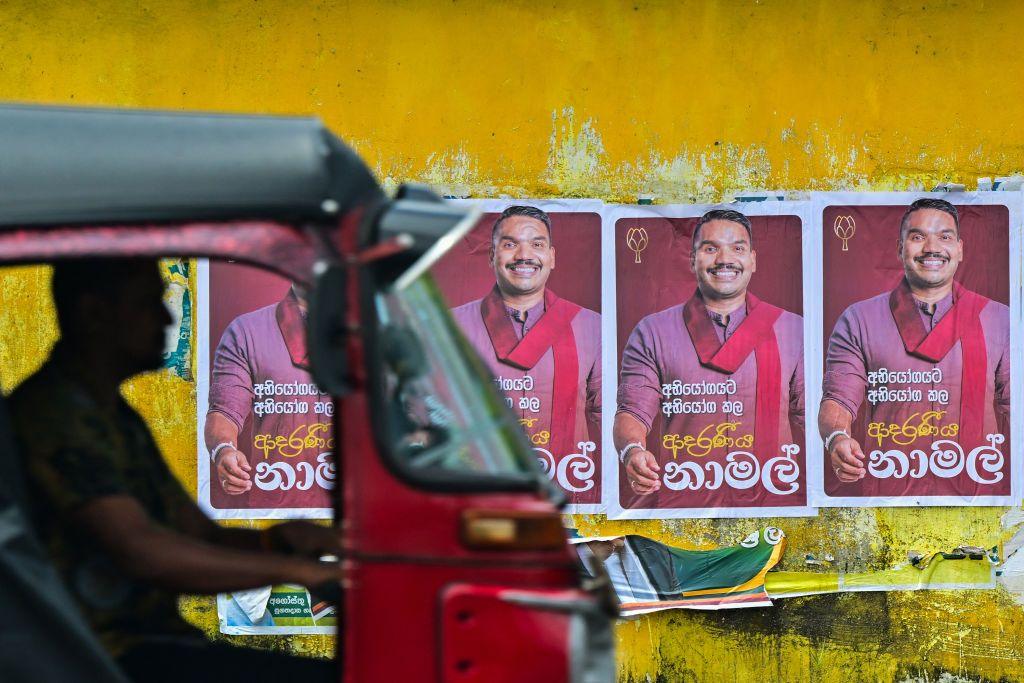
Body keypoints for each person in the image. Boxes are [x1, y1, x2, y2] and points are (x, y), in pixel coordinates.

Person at [8, 259, 338, 681]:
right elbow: (140, 551)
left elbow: (198, 534)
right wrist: (295, 571)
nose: (167, 317)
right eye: (148, 304)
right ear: (94, 315)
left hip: (156, 642)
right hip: (101, 655)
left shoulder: (116, 417)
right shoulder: (56, 415)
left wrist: (280, 542)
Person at [616, 209, 805, 499]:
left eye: (737, 248)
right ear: (692, 260)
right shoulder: (652, 331)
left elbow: (812, 414)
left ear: (753, 260)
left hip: (772, 499)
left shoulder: (794, 330)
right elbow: (632, 410)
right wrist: (632, 451)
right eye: (710, 248)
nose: (724, 259)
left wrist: (837, 438)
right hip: (685, 497)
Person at [821, 198, 1010, 486]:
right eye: (918, 236)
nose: (932, 248)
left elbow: (1016, 404)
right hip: (890, 487)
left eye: (944, 236)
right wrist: (837, 439)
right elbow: (838, 397)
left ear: (960, 249)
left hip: (977, 491)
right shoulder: (858, 319)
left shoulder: (1000, 319)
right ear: (900, 249)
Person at [449, 206, 601, 495]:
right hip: (475, 496)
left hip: (568, 498)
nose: (524, 255)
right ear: (492, 257)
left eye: (537, 244)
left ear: (552, 257)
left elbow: (608, 415)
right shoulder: (449, 326)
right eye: (509, 244)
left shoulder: (592, 327)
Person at [206, 281, 333, 507]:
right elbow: (224, 411)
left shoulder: (377, 328)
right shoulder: (246, 331)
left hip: (358, 509)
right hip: (278, 509)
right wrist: (223, 450)